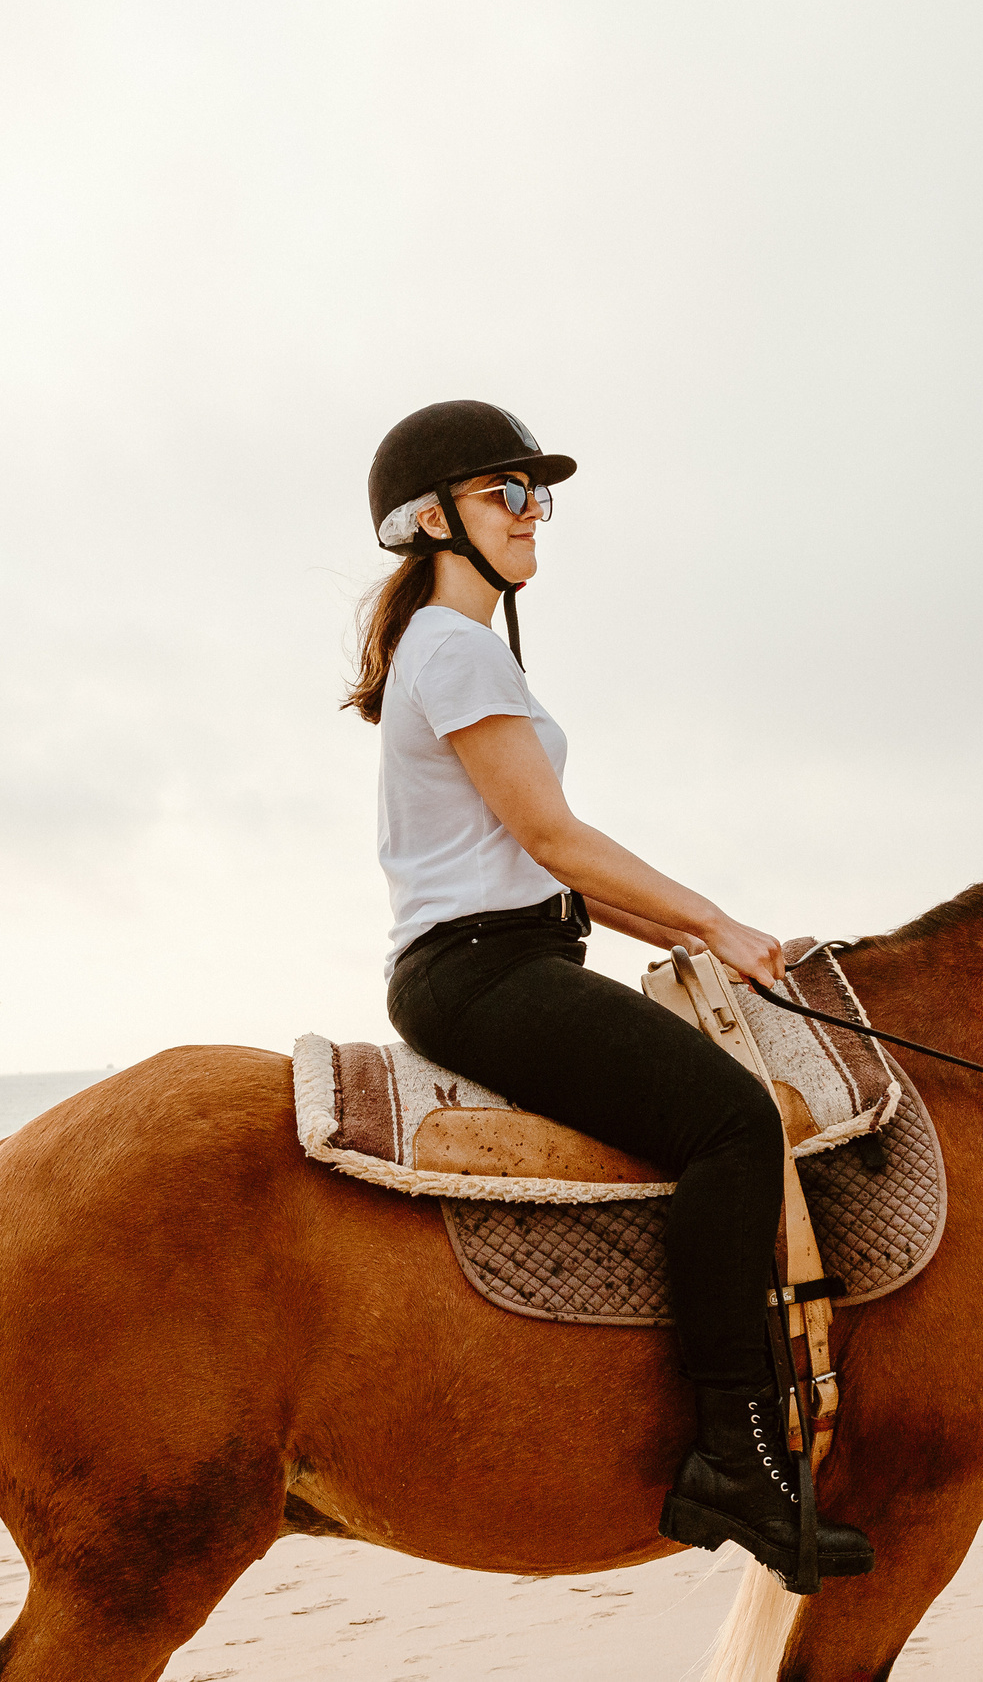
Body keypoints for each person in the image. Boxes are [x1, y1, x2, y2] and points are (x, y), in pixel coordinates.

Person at [347, 399, 871, 1589]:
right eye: (507, 495)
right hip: (480, 969)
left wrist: (713, 942)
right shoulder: (456, 646)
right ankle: (735, 1457)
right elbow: (554, 834)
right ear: (431, 521)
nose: (535, 516)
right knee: (731, 1124)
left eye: (540, 495)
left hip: (507, 951)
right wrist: (716, 919)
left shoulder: (455, 647)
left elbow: (553, 866)